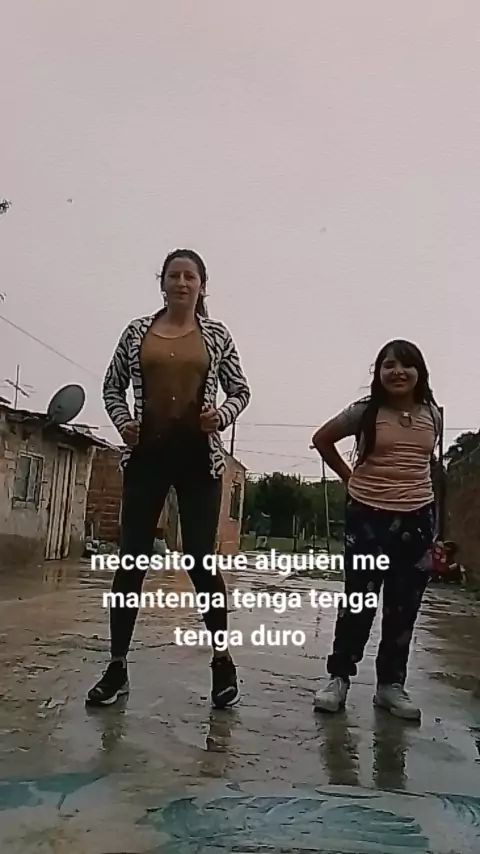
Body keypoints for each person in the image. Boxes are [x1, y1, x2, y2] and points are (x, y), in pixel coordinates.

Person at [86, 249, 251, 709]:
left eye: (189, 276)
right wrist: (123, 422)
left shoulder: (216, 335)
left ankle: (222, 661)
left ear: (202, 286)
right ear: (161, 283)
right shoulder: (137, 332)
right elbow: (111, 385)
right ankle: (117, 666)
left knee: (200, 562)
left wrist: (221, 416)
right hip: (147, 459)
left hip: (199, 462)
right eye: (174, 275)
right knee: (130, 563)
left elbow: (241, 390)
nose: (181, 283)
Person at [311, 339, 441, 721]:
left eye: (406, 365)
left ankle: (390, 686)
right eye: (388, 365)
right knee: (359, 601)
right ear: (379, 373)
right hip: (368, 517)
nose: (397, 372)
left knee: (403, 606)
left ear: (419, 372)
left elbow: (424, 461)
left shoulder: (433, 414)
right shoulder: (364, 412)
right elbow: (322, 439)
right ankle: (338, 679)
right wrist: (348, 478)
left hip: (417, 518)